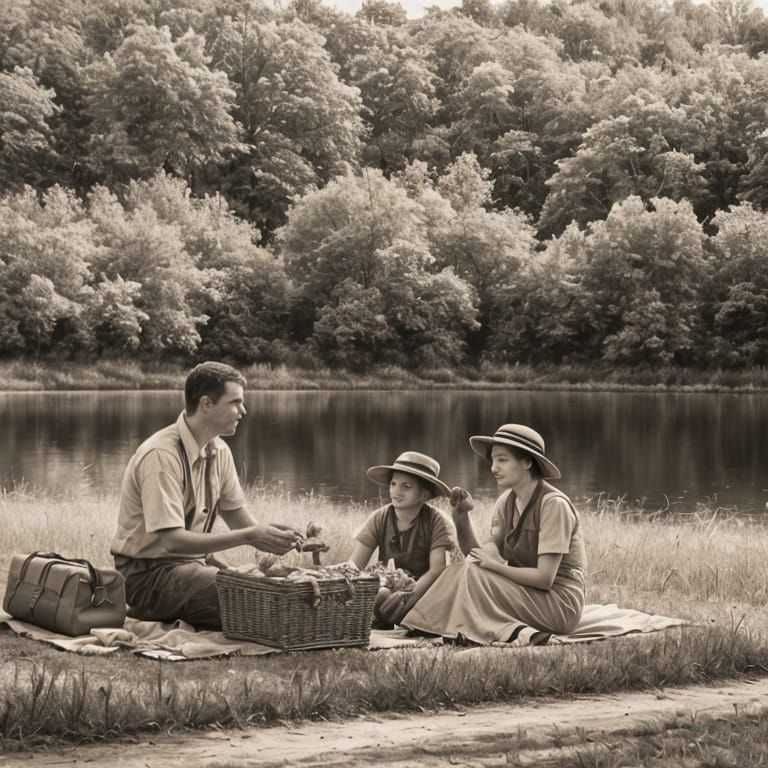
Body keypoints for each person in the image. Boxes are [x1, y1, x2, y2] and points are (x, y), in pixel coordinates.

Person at [110, 361, 302, 629]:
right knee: (247, 600)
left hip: (191, 570)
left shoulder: (220, 452)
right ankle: (151, 609)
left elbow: (239, 519)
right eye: (235, 402)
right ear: (206, 404)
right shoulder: (160, 455)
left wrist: (270, 535)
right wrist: (250, 536)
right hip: (146, 577)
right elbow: (173, 541)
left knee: (264, 590)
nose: (242, 411)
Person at [402, 424, 586, 643]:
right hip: (526, 593)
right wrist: (461, 517)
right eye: (493, 460)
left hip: (559, 604)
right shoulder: (506, 501)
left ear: (527, 462)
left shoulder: (553, 506)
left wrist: (496, 568)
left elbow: (545, 579)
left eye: (502, 460)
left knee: (474, 576)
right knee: (465, 569)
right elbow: (481, 556)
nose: (493, 468)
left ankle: (438, 625)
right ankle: (425, 623)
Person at [349, 451, 455, 627]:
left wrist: (408, 597)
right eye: (393, 484)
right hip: (390, 586)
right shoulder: (380, 517)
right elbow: (355, 564)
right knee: (381, 594)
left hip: (425, 590)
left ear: (425, 494)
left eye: (407, 486)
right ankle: (384, 617)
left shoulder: (437, 521)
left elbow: (438, 570)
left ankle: (405, 618)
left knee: (396, 602)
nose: (396, 491)